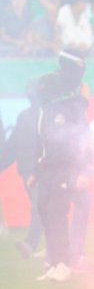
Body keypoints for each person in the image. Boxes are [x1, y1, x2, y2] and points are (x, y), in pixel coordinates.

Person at [34, 51, 93, 282]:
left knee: (57, 213)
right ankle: (54, 261)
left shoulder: (69, 107)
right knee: (45, 212)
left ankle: (64, 265)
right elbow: (43, 142)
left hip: (64, 167)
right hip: (47, 168)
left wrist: (83, 170)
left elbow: (82, 139)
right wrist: (38, 168)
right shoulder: (46, 112)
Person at [0, 77, 46, 258]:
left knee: (40, 207)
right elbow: (13, 146)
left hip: (40, 170)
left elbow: (12, 146)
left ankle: (31, 244)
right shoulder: (26, 116)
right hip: (28, 171)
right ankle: (52, 248)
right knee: (43, 208)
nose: (30, 94)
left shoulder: (43, 115)